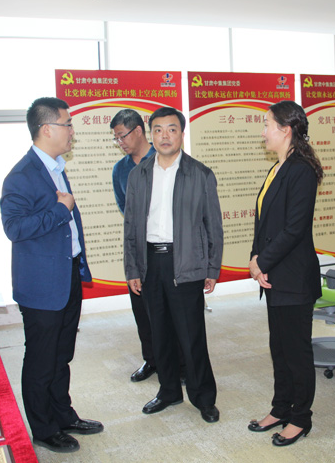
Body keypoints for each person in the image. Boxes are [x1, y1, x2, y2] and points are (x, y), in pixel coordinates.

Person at [1, 97, 103, 453]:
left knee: (61, 355)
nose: (72, 131)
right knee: (41, 360)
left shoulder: (56, 166)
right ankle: (44, 429)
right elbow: (14, 228)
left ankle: (63, 414)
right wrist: (61, 209)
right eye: (68, 124)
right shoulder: (22, 175)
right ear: (47, 129)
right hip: (41, 285)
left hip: (66, 274)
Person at [123, 106, 224, 423]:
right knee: (160, 334)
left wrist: (212, 269)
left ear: (181, 133)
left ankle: (203, 397)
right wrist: (132, 269)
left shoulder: (200, 174)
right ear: (150, 134)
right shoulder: (138, 174)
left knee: (191, 336)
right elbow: (130, 227)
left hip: (186, 262)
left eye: (171, 129)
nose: (164, 136)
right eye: (158, 130)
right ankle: (168, 391)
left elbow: (213, 226)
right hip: (151, 262)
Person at [247, 100, 323, 447]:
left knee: (296, 351)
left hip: (293, 275)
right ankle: (281, 408)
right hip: (274, 272)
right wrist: (256, 258)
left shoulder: (301, 170)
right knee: (278, 347)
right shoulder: (277, 167)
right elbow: (263, 221)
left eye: (267, 125)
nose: (263, 132)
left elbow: (294, 229)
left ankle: (301, 417)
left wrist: (263, 262)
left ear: (286, 129)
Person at [110, 109, 157, 382]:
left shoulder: (163, 158)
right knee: (141, 308)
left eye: (122, 136)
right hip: (138, 249)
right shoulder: (120, 169)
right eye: (116, 138)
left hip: (166, 248)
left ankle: (180, 364)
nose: (120, 142)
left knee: (170, 311)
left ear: (138, 131)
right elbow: (124, 206)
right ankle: (151, 359)